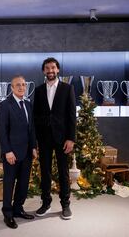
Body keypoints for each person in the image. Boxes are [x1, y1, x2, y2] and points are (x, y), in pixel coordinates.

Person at [33, 57, 76, 220]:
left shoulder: (67, 88)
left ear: (57, 70)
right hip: (44, 138)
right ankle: (46, 203)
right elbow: (36, 117)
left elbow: (72, 115)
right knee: (45, 172)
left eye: (53, 68)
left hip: (62, 138)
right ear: (44, 71)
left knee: (63, 172)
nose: (50, 71)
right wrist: (35, 141)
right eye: (47, 68)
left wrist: (71, 138)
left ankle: (65, 205)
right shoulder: (38, 90)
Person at [0, 75, 38, 229]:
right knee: (9, 184)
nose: (21, 87)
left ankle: (18, 209)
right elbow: (2, 131)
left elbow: (31, 128)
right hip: (12, 154)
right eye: (18, 85)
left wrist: (34, 146)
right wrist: (7, 151)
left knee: (23, 184)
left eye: (23, 84)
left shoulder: (28, 104)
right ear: (12, 88)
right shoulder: (5, 105)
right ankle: (8, 214)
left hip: (27, 152)